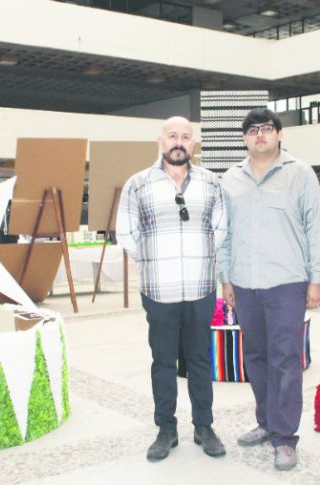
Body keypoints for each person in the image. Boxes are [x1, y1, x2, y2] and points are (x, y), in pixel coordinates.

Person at [217, 108, 320, 471]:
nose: (260, 135)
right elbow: (225, 234)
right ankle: (265, 422)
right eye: (252, 130)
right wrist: (226, 279)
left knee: (285, 360)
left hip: (287, 284)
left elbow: (316, 228)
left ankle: (284, 437)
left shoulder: (299, 173)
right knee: (257, 358)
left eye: (267, 128)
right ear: (244, 138)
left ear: (279, 134)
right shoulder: (231, 179)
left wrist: (316, 279)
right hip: (245, 285)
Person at [116, 116, 228, 462]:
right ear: (160, 140)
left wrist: (202, 259)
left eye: (186, 136)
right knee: (163, 361)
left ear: (193, 144)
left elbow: (221, 229)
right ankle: (166, 429)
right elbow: (126, 233)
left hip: (199, 288)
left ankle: (204, 427)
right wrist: (152, 260)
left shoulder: (212, 184)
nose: (179, 141)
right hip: (159, 291)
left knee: (199, 360)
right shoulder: (138, 184)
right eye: (172, 135)